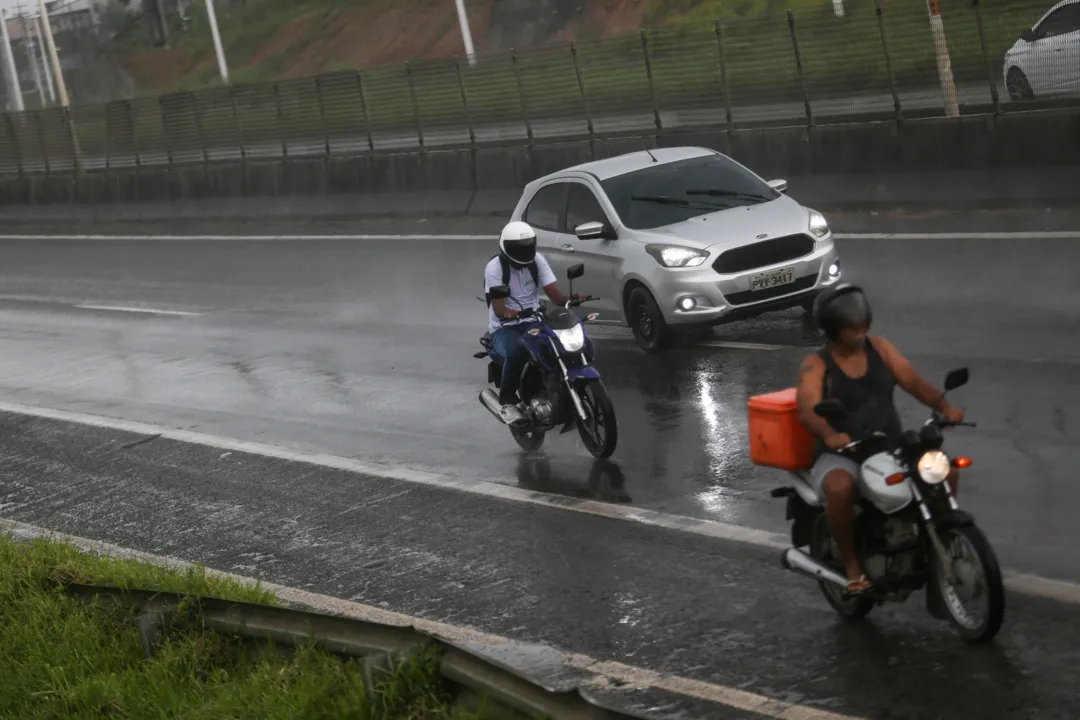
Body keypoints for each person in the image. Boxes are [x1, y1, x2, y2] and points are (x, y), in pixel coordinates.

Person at [795, 284, 964, 594]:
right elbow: (807, 410)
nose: (860, 334)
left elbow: (913, 382)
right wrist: (830, 435)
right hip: (843, 452)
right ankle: (851, 566)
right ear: (833, 330)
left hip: (889, 445)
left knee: (945, 472)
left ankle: (940, 542)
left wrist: (944, 407)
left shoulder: (881, 349)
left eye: (863, 327)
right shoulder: (816, 365)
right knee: (840, 487)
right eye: (852, 330)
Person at [485, 221, 583, 425]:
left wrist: (571, 300)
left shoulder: (537, 261)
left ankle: (563, 388)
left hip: (534, 320)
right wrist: (509, 313)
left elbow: (555, 295)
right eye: (518, 248)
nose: (523, 252)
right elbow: (499, 309)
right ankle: (508, 402)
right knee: (518, 350)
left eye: (527, 246)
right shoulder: (494, 268)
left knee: (562, 344)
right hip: (505, 328)